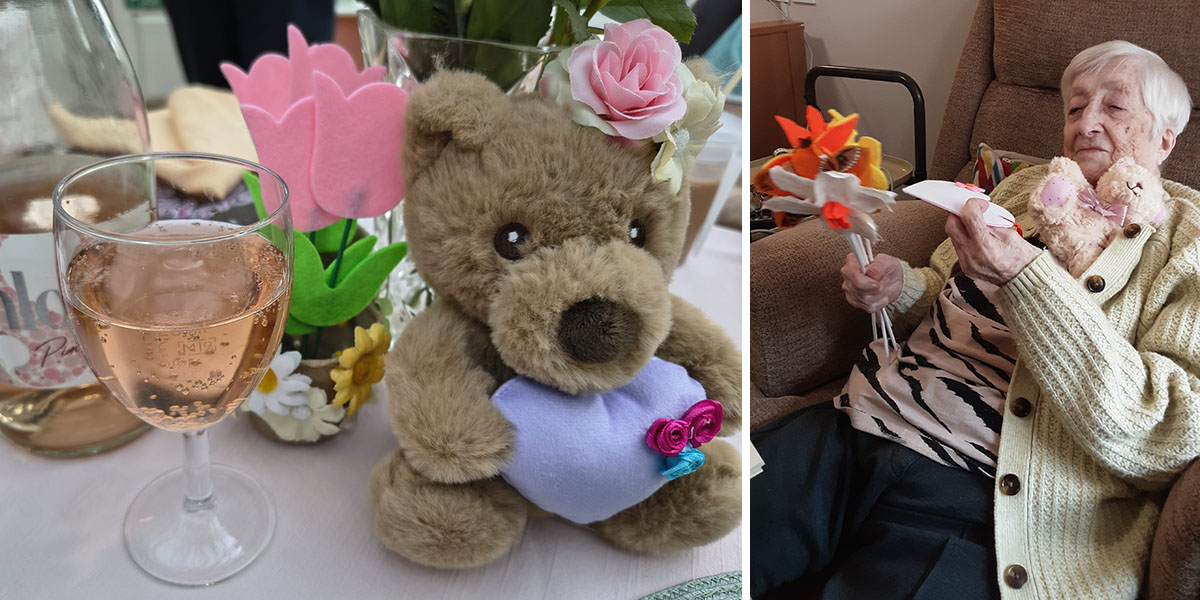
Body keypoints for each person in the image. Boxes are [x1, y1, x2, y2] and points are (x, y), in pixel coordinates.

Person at [750, 40, 1200, 600]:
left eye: (1114, 107)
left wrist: (1025, 279)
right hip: (858, 422)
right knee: (700, 537)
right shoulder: (1019, 189)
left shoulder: (1188, 243)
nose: (1086, 123)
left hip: (980, 491)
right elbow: (944, 289)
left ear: (1165, 137)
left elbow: (1169, 430)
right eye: (1076, 107)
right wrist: (898, 288)